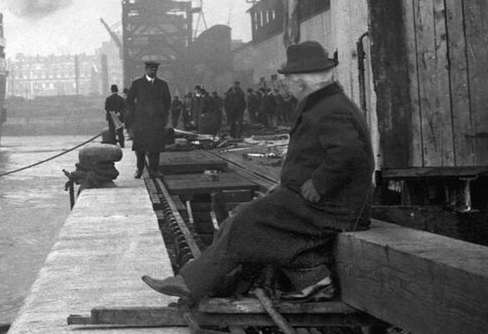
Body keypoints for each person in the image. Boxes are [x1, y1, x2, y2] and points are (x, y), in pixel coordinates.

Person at [143, 41, 374, 302]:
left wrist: (318, 184)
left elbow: (349, 153)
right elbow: (314, 155)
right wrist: (289, 183)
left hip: (333, 206)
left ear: (301, 82)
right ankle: (309, 280)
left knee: (246, 222)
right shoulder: (324, 104)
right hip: (325, 201)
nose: (286, 86)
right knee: (240, 217)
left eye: (288, 81)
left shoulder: (327, 109)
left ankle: (194, 283)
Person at [126, 60, 172, 178]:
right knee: (140, 148)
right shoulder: (137, 84)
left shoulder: (162, 84)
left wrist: (164, 117)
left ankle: (154, 170)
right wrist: (133, 117)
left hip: (157, 121)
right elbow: (129, 101)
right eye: (151, 69)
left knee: (155, 148)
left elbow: (167, 102)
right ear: (146, 70)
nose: (154, 71)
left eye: (155, 69)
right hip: (141, 121)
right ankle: (139, 169)